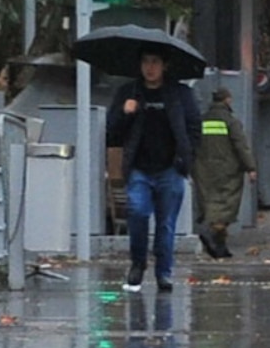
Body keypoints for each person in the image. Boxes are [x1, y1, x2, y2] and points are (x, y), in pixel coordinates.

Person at [106, 46, 202, 293]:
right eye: (146, 62)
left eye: (155, 62)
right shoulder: (129, 93)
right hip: (139, 168)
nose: (150, 68)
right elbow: (112, 132)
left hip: (170, 168)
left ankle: (164, 272)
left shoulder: (180, 94)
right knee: (137, 214)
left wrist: (185, 160)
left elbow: (194, 129)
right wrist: (125, 113)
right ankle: (137, 263)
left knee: (166, 224)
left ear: (164, 65)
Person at [193, 87, 257, 259]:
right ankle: (210, 234)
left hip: (203, 169)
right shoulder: (230, 121)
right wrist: (250, 167)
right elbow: (241, 146)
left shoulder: (202, 120)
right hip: (228, 170)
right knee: (225, 207)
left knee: (210, 203)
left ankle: (220, 248)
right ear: (227, 100)